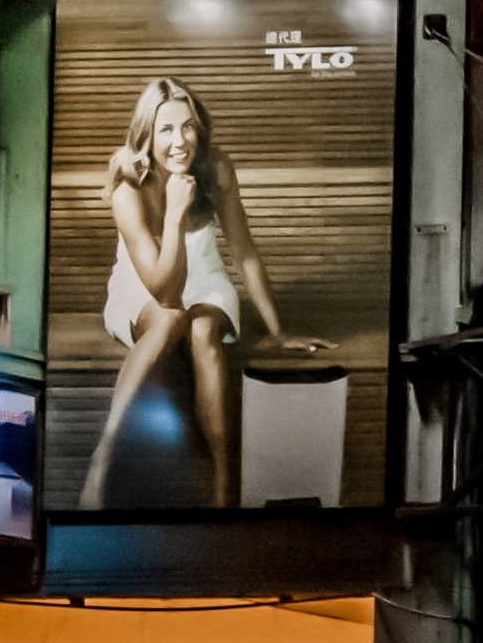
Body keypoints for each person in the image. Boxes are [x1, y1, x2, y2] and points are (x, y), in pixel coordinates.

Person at [79, 76, 329, 509]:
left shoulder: (215, 170)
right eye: (167, 130)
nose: (181, 141)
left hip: (206, 278)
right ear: (146, 135)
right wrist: (174, 214)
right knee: (171, 318)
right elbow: (165, 292)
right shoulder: (127, 187)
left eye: (189, 126)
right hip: (142, 286)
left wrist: (277, 331)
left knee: (202, 333)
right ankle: (104, 455)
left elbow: (245, 252)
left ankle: (223, 489)